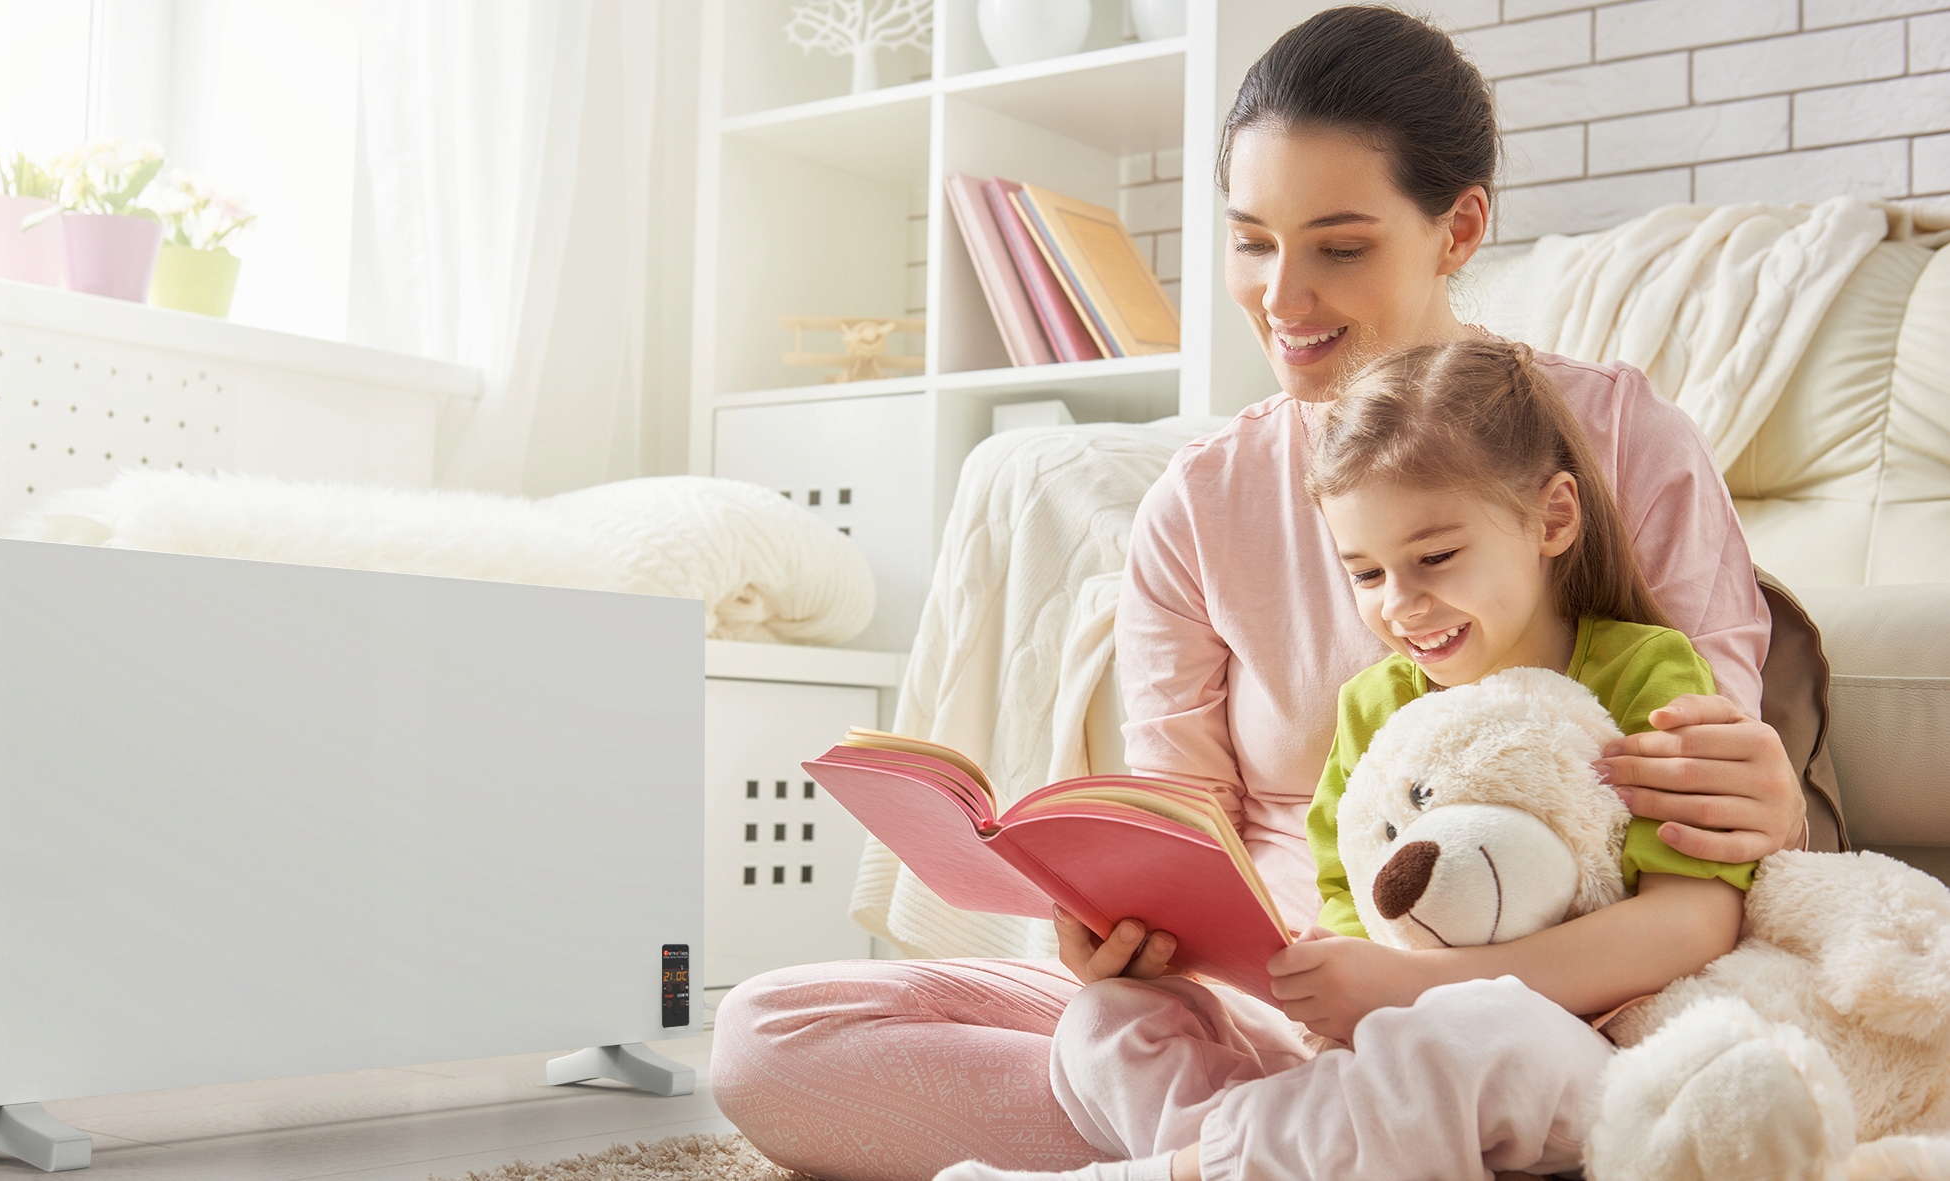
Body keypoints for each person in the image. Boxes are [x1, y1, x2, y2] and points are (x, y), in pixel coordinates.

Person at [712, 8, 1805, 1180]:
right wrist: (1122, 923)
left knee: (1485, 1062)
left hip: (1538, 1010)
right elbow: (1182, 823)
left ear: (1458, 228)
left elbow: (1706, 837)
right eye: (1250, 242)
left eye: (1339, 247)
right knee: (769, 1036)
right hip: (1267, 1003)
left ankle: (1231, 1151)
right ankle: (1313, 1146)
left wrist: (1761, 793)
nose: (1283, 296)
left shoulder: (1618, 438)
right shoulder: (1199, 501)